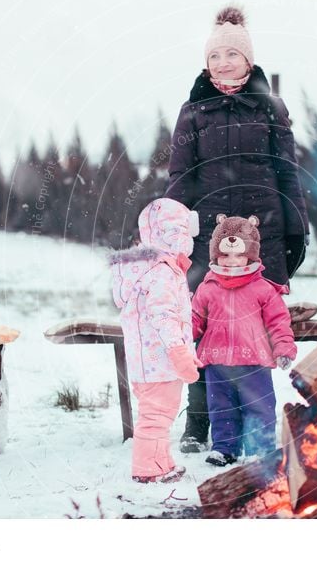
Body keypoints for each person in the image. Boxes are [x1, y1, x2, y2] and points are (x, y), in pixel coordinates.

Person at [167, 5, 309, 452]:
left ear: (249, 61)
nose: (223, 63)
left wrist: (294, 231)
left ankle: (254, 423)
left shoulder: (271, 108)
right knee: (204, 328)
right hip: (208, 239)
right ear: (205, 63)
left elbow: (287, 173)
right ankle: (198, 423)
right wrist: (169, 233)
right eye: (215, 56)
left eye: (233, 54)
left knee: (252, 333)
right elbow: (179, 178)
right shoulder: (193, 112)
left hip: (259, 236)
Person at [191, 215, 297, 466]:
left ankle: (260, 448)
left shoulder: (263, 288)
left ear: (250, 255)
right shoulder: (207, 287)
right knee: (221, 408)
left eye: (238, 255)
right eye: (225, 256)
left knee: (259, 406)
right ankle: (225, 448)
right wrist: (182, 343)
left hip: (254, 361)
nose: (231, 261)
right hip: (217, 362)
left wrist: (284, 348)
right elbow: (195, 320)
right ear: (215, 256)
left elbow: (278, 322)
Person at [109, 198, 202, 483]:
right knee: (156, 416)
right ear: (175, 233)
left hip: (150, 361)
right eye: (185, 231)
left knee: (160, 414)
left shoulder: (156, 267)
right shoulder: (161, 271)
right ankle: (148, 470)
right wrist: (178, 351)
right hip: (159, 359)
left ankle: (161, 462)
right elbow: (163, 315)